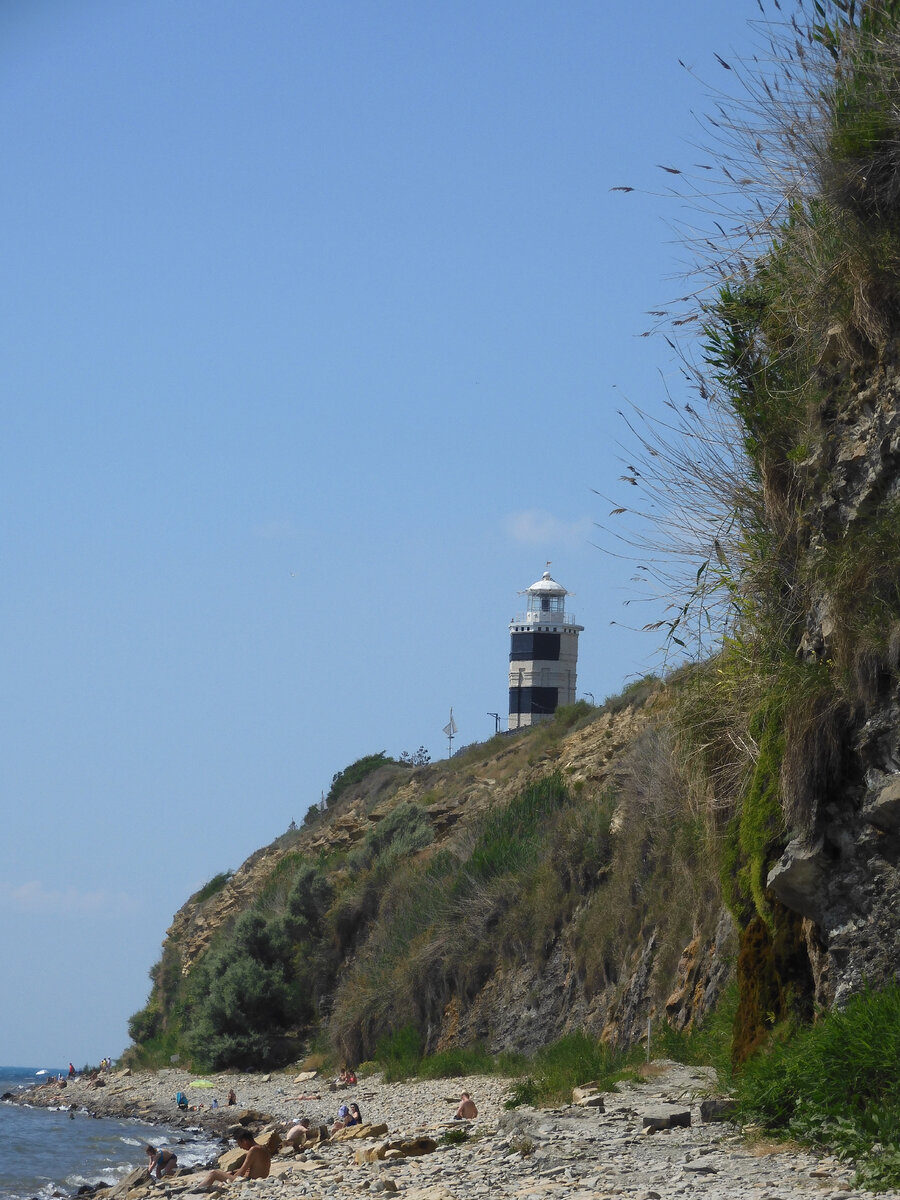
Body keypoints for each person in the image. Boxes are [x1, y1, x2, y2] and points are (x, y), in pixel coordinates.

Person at [201, 1129, 270, 1186]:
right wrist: (232, 1172)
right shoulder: (263, 1148)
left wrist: (234, 1175)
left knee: (214, 1173)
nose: (240, 1147)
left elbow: (241, 1172)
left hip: (251, 1181)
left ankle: (197, 1190)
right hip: (260, 1179)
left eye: (239, 1144)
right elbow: (252, 1168)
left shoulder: (253, 1150)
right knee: (223, 1181)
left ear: (244, 1141)